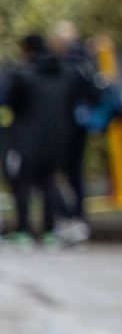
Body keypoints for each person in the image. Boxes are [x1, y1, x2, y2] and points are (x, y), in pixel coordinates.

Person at [1, 33, 75, 248]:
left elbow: (6, 99)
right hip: (57, 140)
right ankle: (50, 231)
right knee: (48, 184)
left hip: (26, 140)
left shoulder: (23, 76)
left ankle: (23, 231)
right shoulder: (64, 73)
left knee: (21, 184)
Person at [48, 20, 99, 243]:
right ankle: (76, 218)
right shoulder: (83, 63)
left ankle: (71, 219)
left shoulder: (70, 66)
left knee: (60, 173)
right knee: (73, 175)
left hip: (66, 127)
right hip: (74, 126)